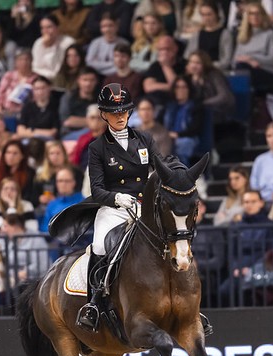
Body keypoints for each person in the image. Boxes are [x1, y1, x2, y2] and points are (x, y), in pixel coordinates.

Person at [75, 83, 163, 331]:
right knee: (101, 244)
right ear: (104, 114)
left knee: (172, 236)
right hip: (113, 209)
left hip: (143, 208)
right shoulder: (97, 148)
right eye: (114, 112)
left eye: (124, 111)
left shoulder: (144, 139)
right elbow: (97, 190)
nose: (120, 116)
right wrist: (117, 198)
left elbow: (162, 166)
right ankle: (94, 303)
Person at [231, 3, 273, 96]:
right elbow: (234, 60)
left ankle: (244, 105)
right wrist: (249, 61)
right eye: (251, 14)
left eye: (258, 13)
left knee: (242, 70)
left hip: (267, 70)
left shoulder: (270, 34)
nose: (255, 16)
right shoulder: (243, 36)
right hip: (245, 69)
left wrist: (252, 58)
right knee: (240, 70)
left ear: (263, 15)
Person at [184, 50, 235, 120]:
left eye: (198, 63)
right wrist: (195, 80)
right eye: (191, 62)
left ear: (205, 64)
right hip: (198, 111)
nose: (193, 66)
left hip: (216, 110)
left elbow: (224, 96)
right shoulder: (188, 77)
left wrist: (203, 103)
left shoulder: (214, 75)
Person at [163, 76, 204, 164]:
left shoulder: (196, 106)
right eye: (177, 87)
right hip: (168, 136)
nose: (180, 90)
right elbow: (159, 123)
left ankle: (183, 173)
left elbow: (195, 128)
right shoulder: (169, 106)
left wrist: (178, 134)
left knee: (183, 143)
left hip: (187, 137)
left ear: (189, 89)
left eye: (184, 87)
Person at [183, 0, 232, 70]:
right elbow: (188, 55)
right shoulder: (197, 34)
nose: (206, 18)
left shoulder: (225, 34)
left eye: (209, 14)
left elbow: (226, 60)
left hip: (217, 71)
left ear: (216, 14)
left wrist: (207, 66)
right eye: (203, 15)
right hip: (198, 70)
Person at [0, 49, 37, 116]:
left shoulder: (36, 78)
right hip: (6, 111)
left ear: (31, 61)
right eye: (20, 59)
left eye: (27, 59)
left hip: (27, 113)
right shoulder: (8, 76)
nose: (24, 62)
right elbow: (0, 93)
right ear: (16, 62)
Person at [15, 76, 60, 141]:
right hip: (29, 140)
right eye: (37, 89)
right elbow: (20, 131)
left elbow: (53, 132)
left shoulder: (56, 106)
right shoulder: (28, 106)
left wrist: (31, 131)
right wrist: (39, 133)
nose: (40, 92)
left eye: (43, 88)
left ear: (49, 88)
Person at [59, 67, 99, 140]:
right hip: (70, 134)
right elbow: (66, 121)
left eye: (91, 80)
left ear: (96, 81)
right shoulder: (69, 97)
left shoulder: (100, 97)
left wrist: (78, 121)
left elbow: (106, 121)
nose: (88, 83)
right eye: (85, 80)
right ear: (78, 81)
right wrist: (94, 122)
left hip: (96, 133)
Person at [31, 14, 76, 80]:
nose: (46, 31)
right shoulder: (38, 43)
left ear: (57, 27)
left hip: (63, 78)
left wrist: (51, 46)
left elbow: (61, 66)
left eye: (49, 27)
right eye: (43, 28)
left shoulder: (68, 42)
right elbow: (36, 67)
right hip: (42, 78)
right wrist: (46, 46)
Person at [40, 166, 84, 232]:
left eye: (67, 181)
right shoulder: (52, 204)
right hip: (53, 240)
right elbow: (44, 228)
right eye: (60, 181)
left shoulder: (83, 202)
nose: (63, 184)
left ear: (74, 183)